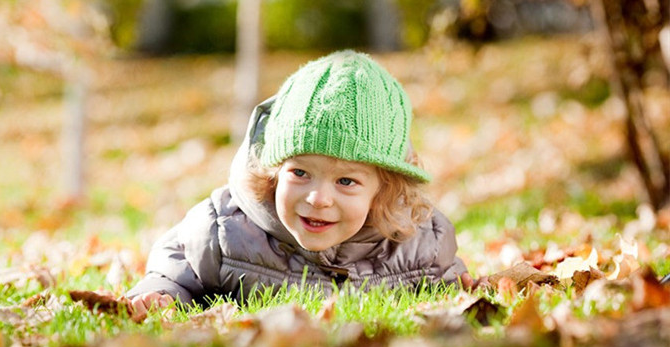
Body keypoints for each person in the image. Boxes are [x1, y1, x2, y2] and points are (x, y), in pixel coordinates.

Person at [126, 50, 470, 312]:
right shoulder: (223, 231)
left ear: (385, 189)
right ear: (274, 170)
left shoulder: (420, 244)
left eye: (347, 181)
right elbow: (174, 269)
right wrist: (160, 295)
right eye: (300, 173)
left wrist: (471, 292)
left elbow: (452, 287)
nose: (318, 198)